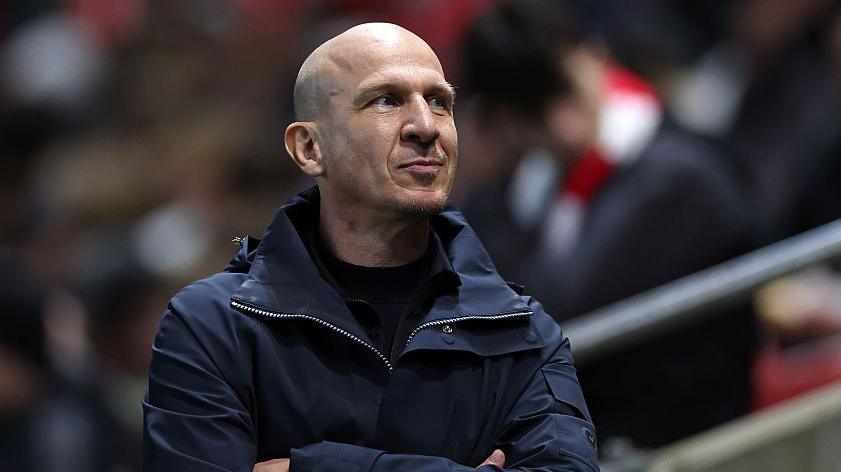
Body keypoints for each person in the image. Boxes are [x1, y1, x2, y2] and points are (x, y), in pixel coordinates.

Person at [143, 23, 599, 471]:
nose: (425, 125)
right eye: (386, 100)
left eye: (439, 102)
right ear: (309, 148)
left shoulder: (521, 331)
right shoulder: (211, 327)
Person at [461, 0, 757, 449]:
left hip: (681, 437)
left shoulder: (681, 177)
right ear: (503, 124)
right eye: (532, 114)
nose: (561, 128)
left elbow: (552, 312)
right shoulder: (522, 191)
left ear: (594, 53)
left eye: (564, 92)